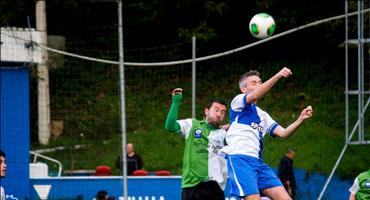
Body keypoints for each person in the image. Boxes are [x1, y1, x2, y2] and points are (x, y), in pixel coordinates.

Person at [220, 68, 313, 200]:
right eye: (254, 82)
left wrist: (300, 119)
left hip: (258, 163)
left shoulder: (263, 115)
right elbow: (255, 95)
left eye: (260, 82)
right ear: (244, 89)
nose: (258, 84)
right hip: (240, 159)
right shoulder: (238, 103)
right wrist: (278, 75)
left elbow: (284, 133)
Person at [165, 88, 228, 200]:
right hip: (192, 186)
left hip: (216, 188)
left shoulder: (225, 134)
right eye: (216, 110)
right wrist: (176, 102)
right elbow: (170, 126)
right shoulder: (192, 125)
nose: (219, 114)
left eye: (223, 112)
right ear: (206, 111)